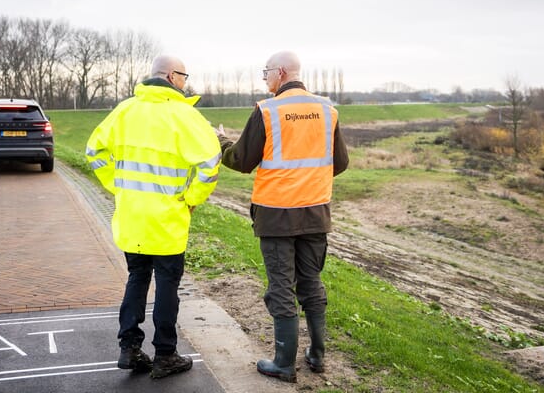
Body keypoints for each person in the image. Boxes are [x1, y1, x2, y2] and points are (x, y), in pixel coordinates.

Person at [216, 51, 349, 383]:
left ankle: (284, 363)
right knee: (311, 282)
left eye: (266, 72)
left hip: (276, 216)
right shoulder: (327, 110)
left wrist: (221, 141)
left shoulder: (268, 110)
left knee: (281, 287)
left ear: (282, 72)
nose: (265, 78)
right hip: (315, 213)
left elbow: (241, 160)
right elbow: (341, 163)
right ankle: (317, 356)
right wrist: (309, 180)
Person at [86, 55, 221, 379]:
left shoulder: (125, 110)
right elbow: (210, 164)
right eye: (184, 76)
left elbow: (94, 151)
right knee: (167, 285)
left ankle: (129, 348)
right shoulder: (184, 115)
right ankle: (165, 354)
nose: (185, 82)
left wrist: (117, 186)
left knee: (137, 278)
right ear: (172, 76)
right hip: (167, 220)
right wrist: (192, 199)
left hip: (132, 216)